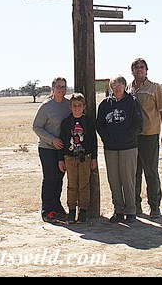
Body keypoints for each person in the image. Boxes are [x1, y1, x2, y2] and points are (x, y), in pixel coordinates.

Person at [96, 75, 143, 223]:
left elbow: (138, 124)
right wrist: (106, 138)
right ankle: (118, 210)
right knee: (114, 180)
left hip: (128, 147)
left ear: (124, 87)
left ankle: (131, 210)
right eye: (114, 86)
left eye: (120, 85)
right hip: (110, 148)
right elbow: (99, 125)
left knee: (128, 179)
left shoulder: (132, 102)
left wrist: (127, 138)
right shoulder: (105, 104)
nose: (117, 88)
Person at [128, 57, 162, 218]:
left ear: (146, 70)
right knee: (134, 173)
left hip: (150, 135)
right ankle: (135, 205)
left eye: (142, 67)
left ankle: (155, 206)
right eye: (136, 67)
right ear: (132, 70)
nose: (139, 69)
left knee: (151, 172)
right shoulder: (128, 88)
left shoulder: (154, 88)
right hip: (132, 137)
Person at [33, 76, 71, 224]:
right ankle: (47, 210)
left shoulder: (68, 105)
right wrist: (52, 139)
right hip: (47, 148)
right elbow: (36, 127)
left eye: (64, 87)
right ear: (53, 88)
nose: (61, 89)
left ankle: (57, 206)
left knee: (59, 178)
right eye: (59, 87)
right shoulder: (46, 106)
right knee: (50, 178)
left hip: (62, 149)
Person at [58, 93, 98, 224]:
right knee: (72, 185)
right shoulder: (65, 123)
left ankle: (83, 211)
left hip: (85, 157)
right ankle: (71, 210)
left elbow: (93, 141)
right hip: (69, 158)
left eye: (79, 105)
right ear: (70, 107)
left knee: (84, 185)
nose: (77, 108)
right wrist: (60, 159)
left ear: (84, 107)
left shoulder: (88, 122)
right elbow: (62, 141)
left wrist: (94, 158)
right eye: (74, 105)